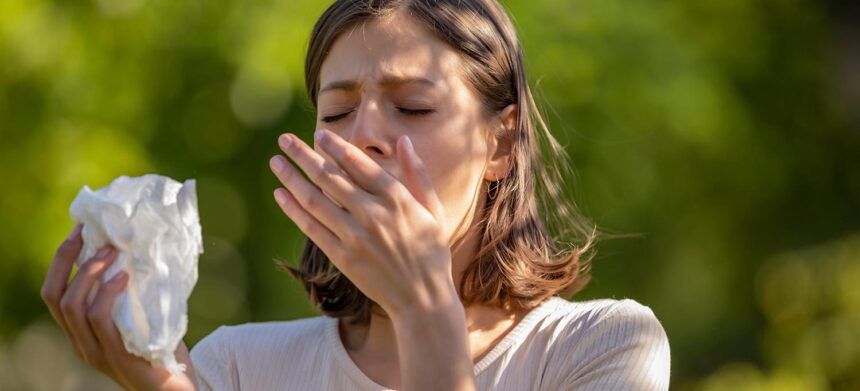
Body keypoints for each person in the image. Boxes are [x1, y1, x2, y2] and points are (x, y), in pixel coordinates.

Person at [41, 0, 671, 390]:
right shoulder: (238, 367)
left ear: (500, 145)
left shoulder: (603, 347)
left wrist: (426, 310)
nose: (364, 136)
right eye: (337, 113)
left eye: (412, 106)